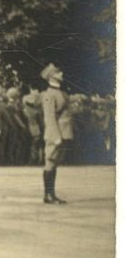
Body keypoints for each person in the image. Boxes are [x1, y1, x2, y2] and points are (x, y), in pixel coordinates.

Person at [40, 63, 71, 204]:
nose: (62, 74)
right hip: (55, 134)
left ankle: (52, 193)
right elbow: (50, 117)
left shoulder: (60, 92)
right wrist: (56, 136)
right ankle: (48, 195)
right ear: (52, 76)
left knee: (55, 163)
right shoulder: (49, 94)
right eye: (59, 72)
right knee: (50, 163)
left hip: (62, 133)